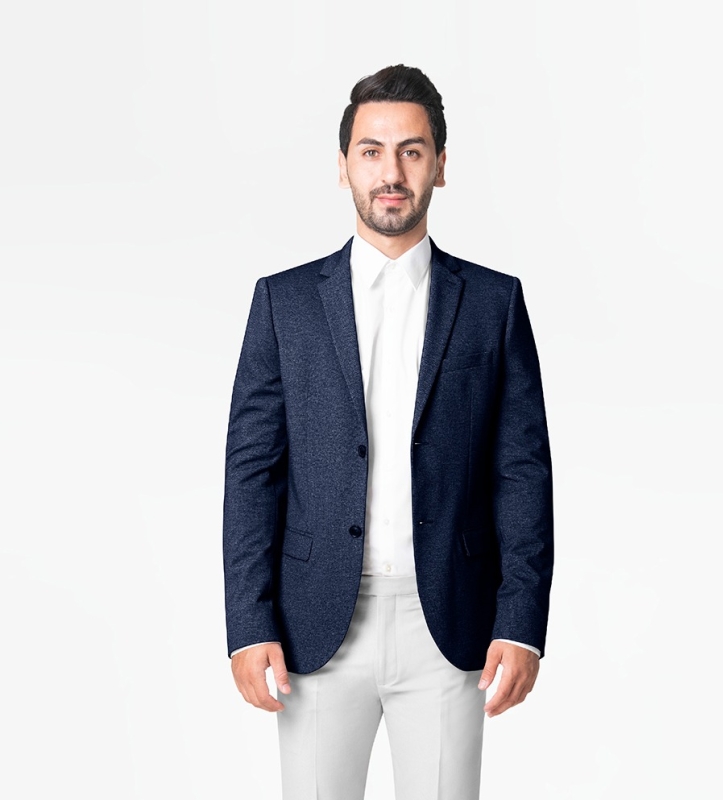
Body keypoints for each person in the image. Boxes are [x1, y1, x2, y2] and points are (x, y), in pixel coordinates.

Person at [222, 64, 554, 800]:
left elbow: (522, 470)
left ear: (441, 164)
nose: (392, 172)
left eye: (412, 150)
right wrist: (248, 623)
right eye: (371, 151)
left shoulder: (494, 303)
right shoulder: (284, 303)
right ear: (343, 166)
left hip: (450, 622)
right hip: (315, 624)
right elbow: (251, 471)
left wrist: (520, 621)